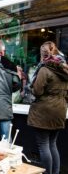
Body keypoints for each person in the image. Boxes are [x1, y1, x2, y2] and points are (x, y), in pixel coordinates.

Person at [27, 43, 68, 174]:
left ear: (43, 54)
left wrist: (30, 87)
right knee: (52, 144)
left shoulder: (45, 69)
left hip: (44, 111)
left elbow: (37, 91)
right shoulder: (65, 69)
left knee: (43, 145)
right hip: (60, 110)